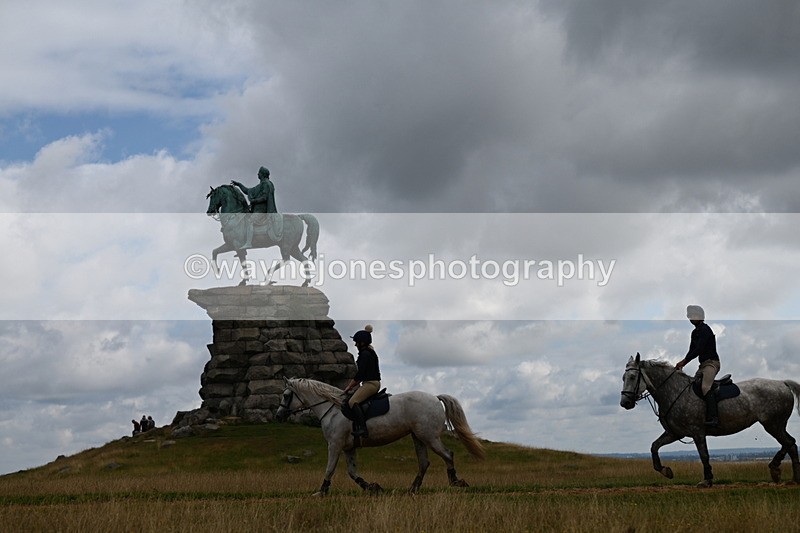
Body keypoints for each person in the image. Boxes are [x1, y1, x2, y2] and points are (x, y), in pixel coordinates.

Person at [675, 305, 721, 428]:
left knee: (705, 387)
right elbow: (691, 350)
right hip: (703, 366)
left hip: (712, 363)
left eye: (693, 315)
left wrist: (684, 362)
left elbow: (699, 349)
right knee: (692, 388)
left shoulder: (705, 330)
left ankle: (714, 418)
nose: (690, 318)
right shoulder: (694, 332)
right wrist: (682, 363)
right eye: (689, 316)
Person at [343, 324, 381, 438]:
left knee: (352, 402)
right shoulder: (369, 352)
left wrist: (349, 386)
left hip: (370, 384)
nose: (355, 344)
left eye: (357, 342)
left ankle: (363, 429)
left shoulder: (365, 355)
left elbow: (359, 375)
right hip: (371, 383)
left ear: (362, 343)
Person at [230, 166, 282, 248]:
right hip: (258, 210)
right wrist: (239, 185)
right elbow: (248, 191)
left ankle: (248, 243)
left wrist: (254, 201)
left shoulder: (266, 184)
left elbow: (265, 198)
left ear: (262, 174)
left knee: (249, 221)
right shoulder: (261, 185)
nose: (258, 174)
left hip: (262, 211)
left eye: (259, 173)